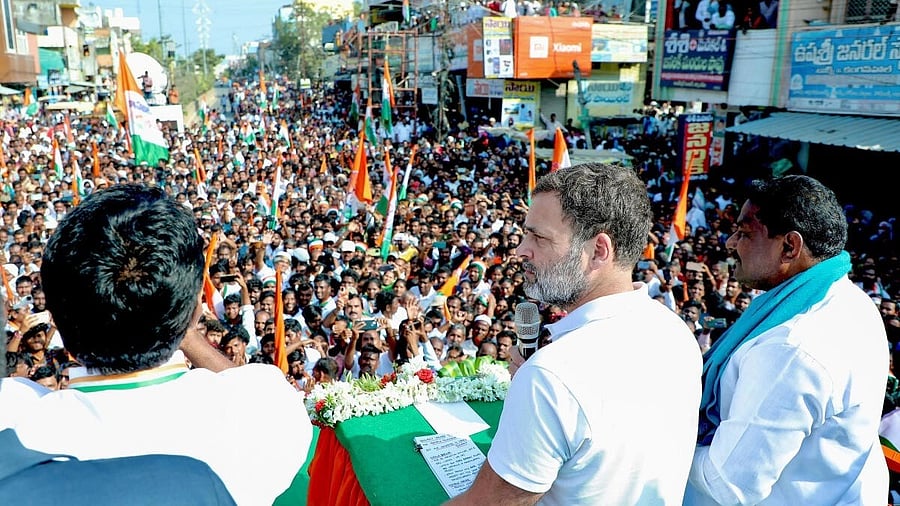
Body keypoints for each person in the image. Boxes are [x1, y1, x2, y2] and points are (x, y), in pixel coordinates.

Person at [0, 185, 310, 505]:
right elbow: (251, 386)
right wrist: (179, 323)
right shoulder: (259, 413)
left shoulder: (13, 419)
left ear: (56, 318)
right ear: (194, 313)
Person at [449, 163, 702, 504]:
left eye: (539, 237)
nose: (522, 250)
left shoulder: (553, 375)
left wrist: (542, 388)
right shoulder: (677, 334)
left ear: (598, 250)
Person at [685, 176, 888, 504]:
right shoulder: (848, 299)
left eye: (745, 233)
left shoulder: (791, 348)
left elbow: (728, 484)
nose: (731, 243)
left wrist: (662, 438)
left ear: (790, 246)